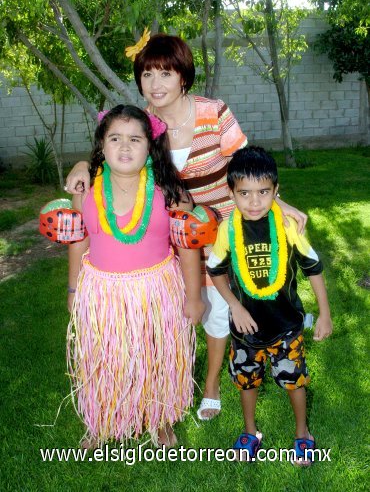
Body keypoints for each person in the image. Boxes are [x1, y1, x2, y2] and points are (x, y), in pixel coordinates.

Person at [64, 32, 308, 421]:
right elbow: (115, 152)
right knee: (171, 312)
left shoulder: (214, 112)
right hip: (165, 234)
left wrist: (280, 202)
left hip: (223, 229)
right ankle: (160, 381)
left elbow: (246, 166)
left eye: (165, 73)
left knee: (213, 310)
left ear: (183, 76)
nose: (155, 85)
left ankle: (210, 385)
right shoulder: (145, 122)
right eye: (147, 75)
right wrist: (82, 165)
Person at [67, 105, 204, 448]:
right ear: (101, 145)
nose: (125, 147)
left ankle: (159, 419)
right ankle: (102, 420)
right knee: (104, 360)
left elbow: (188, 246)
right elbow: (78, 239)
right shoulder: (87, 191)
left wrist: (193, 296)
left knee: (156, 356)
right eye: (115, 138)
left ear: (149, 148)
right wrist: (73, 289)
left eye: (135, 139)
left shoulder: (170, 193)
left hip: (156, 291)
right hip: (103, 293)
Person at [206, 146, 332, 464]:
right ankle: (250, 432)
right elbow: (216, 270)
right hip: (245, 329)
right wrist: (235, 305)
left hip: (286, 325)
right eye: (244, 193)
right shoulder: (228, 229)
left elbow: (313, 268)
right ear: (231, 193)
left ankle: (302, 433)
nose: (254, 201)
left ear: (276, 191)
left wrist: (325, 314)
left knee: (294, 381)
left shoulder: (287, 226)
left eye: (263, 192)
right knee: (246, 381)